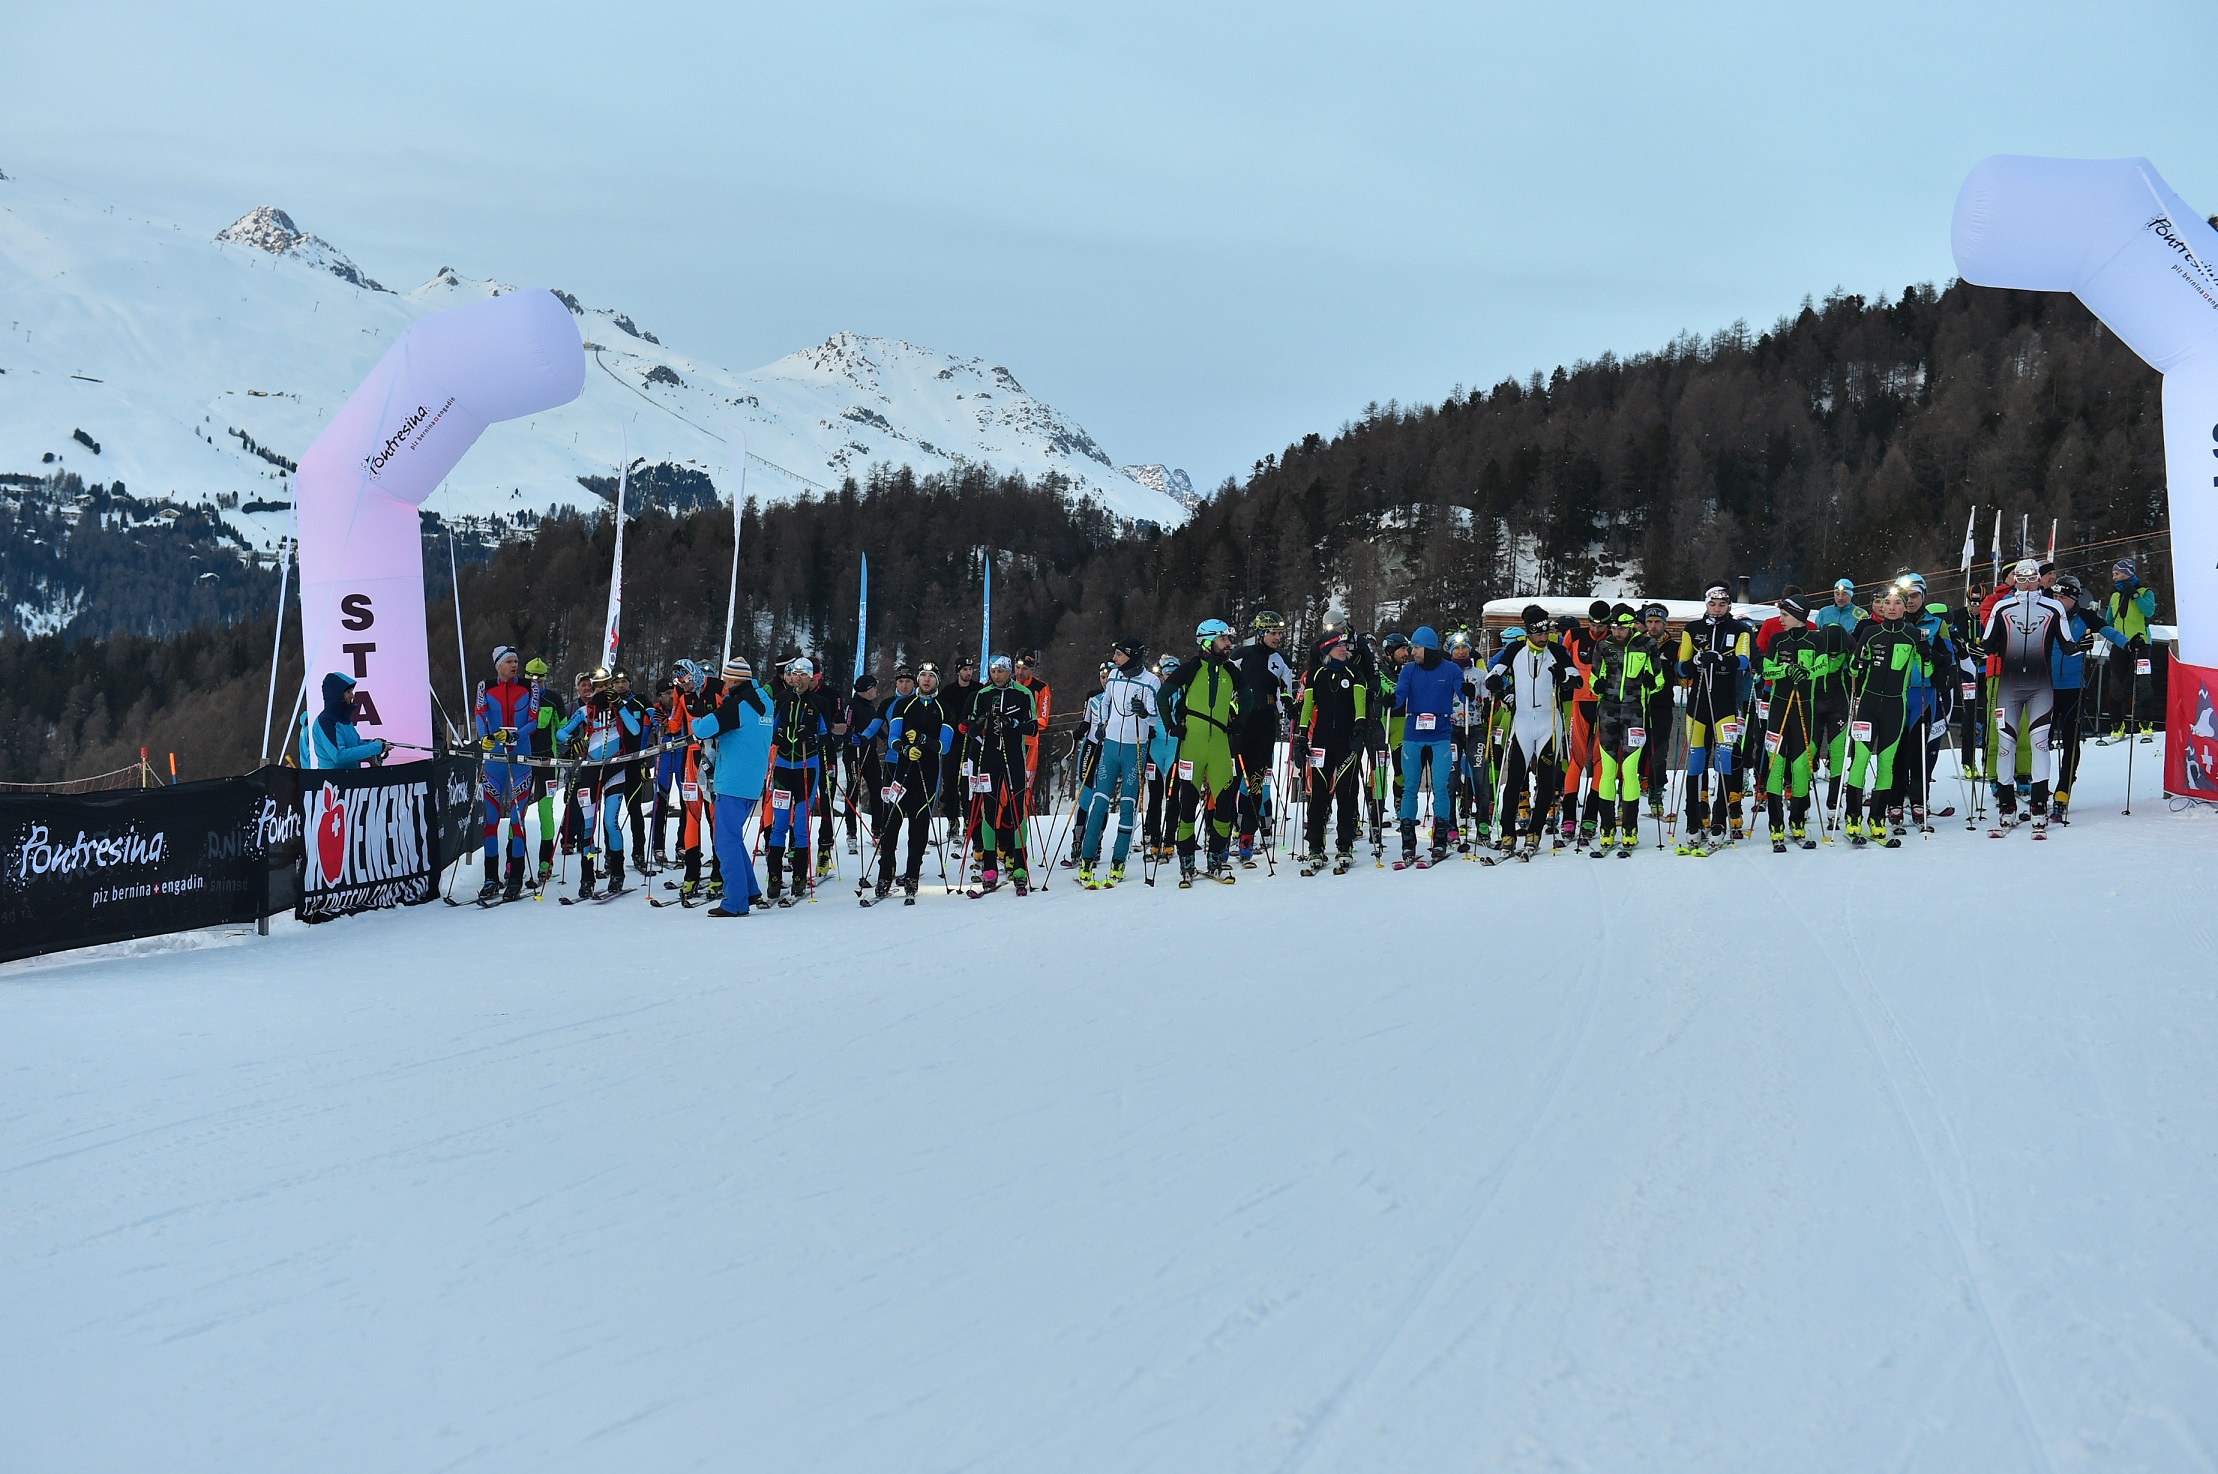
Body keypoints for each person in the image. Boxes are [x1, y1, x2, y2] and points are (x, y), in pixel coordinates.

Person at [1982, 558, 2082, 829]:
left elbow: (2067, 644)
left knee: (2039, 745)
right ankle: (2006, 805)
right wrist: (1977, 648)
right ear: (2015, 579)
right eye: (2021, 577)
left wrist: (2081, 644)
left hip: (2040, 687)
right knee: (2005, 746)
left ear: (2039, 578)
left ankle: (2039, 804)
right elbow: (1988, 642)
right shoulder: (2003, 606)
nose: (2026, 582)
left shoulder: (2052, 607)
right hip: (2009, 686)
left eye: (2031, 577)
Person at [1483, 606, 1576, 857]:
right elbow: (1494, 674)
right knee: (1514, 780)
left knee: (1546, 780)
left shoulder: (1556, 650)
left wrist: (1564, 676)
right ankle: (1507, 833)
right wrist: (1495, 683)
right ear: (1528, 632)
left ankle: (1535, 831)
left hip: (1549, 723)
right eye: (1538, 633)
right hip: (1523, 721)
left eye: (1546, 632)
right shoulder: (1515, 650)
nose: (1543, 638)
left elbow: (1576, 678)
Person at [1840, 587, 1930, 847]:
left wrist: (1928, 656)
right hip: (1868, 703)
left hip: (1895, 706)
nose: (1890, 607)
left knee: (1887, 763)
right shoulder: (1870, 632)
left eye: (1897, 603)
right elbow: (1853, 667)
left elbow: (1928, 668)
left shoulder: (1913, 635)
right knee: (1860, 759)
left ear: (1905, 607)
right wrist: (1860, 663)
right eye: (1886, 602)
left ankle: (1877, 818)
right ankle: (1853, 817)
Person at [689, 657, 774, 916]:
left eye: (727, 680)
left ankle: (735, 902)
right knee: (733, 838)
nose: (724, 685)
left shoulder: (739, 704)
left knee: (724, 842)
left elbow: (704, 727)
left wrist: (695, 722)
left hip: (732, 782)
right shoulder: (764, 701)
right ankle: (748, 890)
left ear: (736, 680)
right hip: (751, 780)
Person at [553, 666, 645, 899]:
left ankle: (617, 872)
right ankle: (586, 877)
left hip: (615, 768)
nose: (603, 690)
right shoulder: (585, 710)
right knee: (587, 825)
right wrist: (573, 740)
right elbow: (560, 733)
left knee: (611, 822)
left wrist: (621, 705)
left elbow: (635, 730)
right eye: (598, 686)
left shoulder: (619, 707)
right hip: (591, 770)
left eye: (607, 685)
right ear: (591, 689)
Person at [1674, 584, 1751, 850]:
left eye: (1722, 604)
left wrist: (1722, 660)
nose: (1717, 609)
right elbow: (1680, 668)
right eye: (1712, 604)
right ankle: (1693, 821)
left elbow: (1744, 660)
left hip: (1726, 705)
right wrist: (1695, 663)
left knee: (1724, 762)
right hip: (1698, 705)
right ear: (1706, 604)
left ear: (1728, 605)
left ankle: (1720, 820)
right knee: (1695, 762)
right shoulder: (1692, 629)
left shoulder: (1741, 629)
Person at [1758, 595, 1837, 851]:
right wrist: (1784, 670)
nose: (1780, 620)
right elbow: (1766, 671)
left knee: (1801, 766)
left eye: (1785, 616)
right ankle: (1775, 823)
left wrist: (1807, 671)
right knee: (1776, 764)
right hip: (1779, 708)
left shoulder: (1815, 639)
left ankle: (1798, 820)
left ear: (1799, 616)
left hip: (1806, 707)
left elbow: (1824, 667)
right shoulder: (1777, 639)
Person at [1585, 605, 1666, 856]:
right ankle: (1607, 828)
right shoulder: (1604, 646)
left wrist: (1653, 683)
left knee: (1629, 770)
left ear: (1631, 625)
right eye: (1614, 627)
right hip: (1608, 712)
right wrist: (1596, 684)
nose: (1616, 632)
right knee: (1608, 770)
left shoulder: (1646, 645)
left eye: (1621, 627)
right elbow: (1593, 677)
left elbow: (1659, 680)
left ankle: (1630, 828)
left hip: (1634, 712)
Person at [1169, 618, 1244, 885]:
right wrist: (1172, 725)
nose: (1228, 644)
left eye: (1228, 639)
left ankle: (1216, 859)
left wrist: (1239, 722)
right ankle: (1186, 861)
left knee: (1224, 804)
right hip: (1192, 746)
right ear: (1207, 641)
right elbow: (1163, 695)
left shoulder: (1231, 671)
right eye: (1223, 639)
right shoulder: (1191, 668)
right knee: (1187, 805)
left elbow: (1248, 696)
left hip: (1220, 746)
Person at [1079, 640, 1159, 886]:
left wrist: (1144, 713)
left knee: (1128, 805)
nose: (1114, 659)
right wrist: (1102, 725)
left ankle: (1118, 861)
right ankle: (1087, 859)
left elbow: (1155, 719)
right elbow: (1104, 703)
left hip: (1135, 747)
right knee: (1099, 803)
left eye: (1118, 654)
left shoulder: (1151, 681)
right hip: (1111, 746)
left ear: (1132, 656)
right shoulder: (1114, 675)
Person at [872, 662, 953, 902]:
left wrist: (924, 740)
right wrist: (905, 748)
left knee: (918, 828)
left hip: (927, 773)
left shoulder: (944, 708)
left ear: (937, 680)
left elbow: (945, 746)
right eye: (923, 676)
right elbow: (894, 737)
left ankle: (912, 876)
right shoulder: (903, 705)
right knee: (891, 824)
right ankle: (885, 875)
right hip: (902, 770)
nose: (926, 680)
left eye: (931, 676)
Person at [967, 654, 1040, 892]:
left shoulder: (1022, 693)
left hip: (1014, 758)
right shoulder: (983, 694)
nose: (996, 675)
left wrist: (1013, 724)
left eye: (1000, 671)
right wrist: (981, 723)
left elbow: (1033, 726)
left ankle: (1019, 866)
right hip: (989, 759)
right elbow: (971, 728)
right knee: (989, 810)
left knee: (1018, 809)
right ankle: (990, 867)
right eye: (993, 671)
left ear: (1009, 672)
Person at [764, 657, 834, 905]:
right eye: (794, 675)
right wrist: (778, 736)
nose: (798, 680)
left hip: (807, 766)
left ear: (812, 678)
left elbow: (827, 737)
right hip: (783, 766)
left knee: (802, 825)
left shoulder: (820, 702)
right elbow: (771, 730)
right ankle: (773, 877)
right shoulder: (782, 699)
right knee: (779, 823)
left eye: (803, 675)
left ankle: (799, 877)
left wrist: (813, 736)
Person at [1297, 630, 1368, 871]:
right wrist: (1301, 736)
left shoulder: (1354, 673)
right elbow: (1308, 706)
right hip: (1320, 742)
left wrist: (1360, 729)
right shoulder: (1316, 674)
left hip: (1346, 742)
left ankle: (1345, 843)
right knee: (1318, 795)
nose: (1344, 649)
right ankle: (1315, 845)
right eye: (1339, 646)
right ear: (1328, 650)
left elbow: (1360, 705)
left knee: (1346, 794)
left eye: (1345, 645)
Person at [1393, 625, 1463, 864]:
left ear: (1430, 648)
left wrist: (1468, 691)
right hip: (1413, 733)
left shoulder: (1451, 669)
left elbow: (1464, 695)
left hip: (1441, 733)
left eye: (1417, 647)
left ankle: (1441, 837)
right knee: (1410, 787)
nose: (1412, 652)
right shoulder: (1409, 671)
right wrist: (1391, 700)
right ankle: (1408, 841)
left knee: (1441, 787)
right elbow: (1400, 696)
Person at [472, 646, 537, 902]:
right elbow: (480, 715)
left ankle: (516, 878)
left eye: (516, 661)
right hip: (494, 762)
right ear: (498, 665)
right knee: (490, 820)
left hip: (521, 761)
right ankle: (490, 877)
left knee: (516, 822)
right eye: (509, 661)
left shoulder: (529, 687)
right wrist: (484, 738)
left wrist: (516, 734)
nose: (514, 665)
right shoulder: (484, 687)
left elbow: (534, 721)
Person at [1232, 611, 1296, 861]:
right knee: (1236, 779)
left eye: (1280, 633)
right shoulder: (1241, 655)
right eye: (1273, 633)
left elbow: (1287, 691)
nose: (1278, 638)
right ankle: (1226, 834)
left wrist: (1291, 707)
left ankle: (1248, 836)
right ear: (1260, 633)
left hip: (1266, 722)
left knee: (1257, 781)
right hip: (1242, 722)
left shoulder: (1282, 659)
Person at [1558, 599, 1611, 842]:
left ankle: (1591, 816)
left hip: (1605, 705)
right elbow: (1559, 658)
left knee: (1601, 763)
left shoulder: (1615, 638)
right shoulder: (1574, 635)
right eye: (1593, 624)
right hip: (1580, 704)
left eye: (1602, 625)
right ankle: (1568, 818)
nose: (1597, 629)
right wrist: (1563, 678)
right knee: (1575, 760)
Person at [2102, 557, 2161, 739]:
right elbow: (2108, 621)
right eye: (2113, 574)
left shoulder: (2145, 592)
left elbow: (2149, 611)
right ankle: (2117, 725)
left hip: (2141, 644)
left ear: (2128, 573)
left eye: (2117, 573)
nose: (2114, 578)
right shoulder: (2115, 596)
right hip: (2121, 646)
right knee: (2116, 685)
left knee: (2143, 684)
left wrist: (2135, 595)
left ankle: (2145, 723)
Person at [302, 669, 390, 770]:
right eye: (348, 692)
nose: (352, 695)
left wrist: (375, 744)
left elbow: (357, 744)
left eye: (352, 691)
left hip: (347, 781)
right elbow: (339, 755)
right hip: (332, 782)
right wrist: (375, 747)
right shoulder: (325, 722)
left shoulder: (343, 720)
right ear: (336, 694)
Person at [1143, 653, 1183, 861]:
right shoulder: (1154, 691)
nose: (1169, 677)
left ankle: (1170, 840)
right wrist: (1145, 728)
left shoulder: (1183, 692)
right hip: (1155, 748)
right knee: (1155, 796)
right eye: (1166, 674)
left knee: (1173, 796)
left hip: (1175, 748)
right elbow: (1146, 715)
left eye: (1173, 673)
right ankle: (1155, 840)